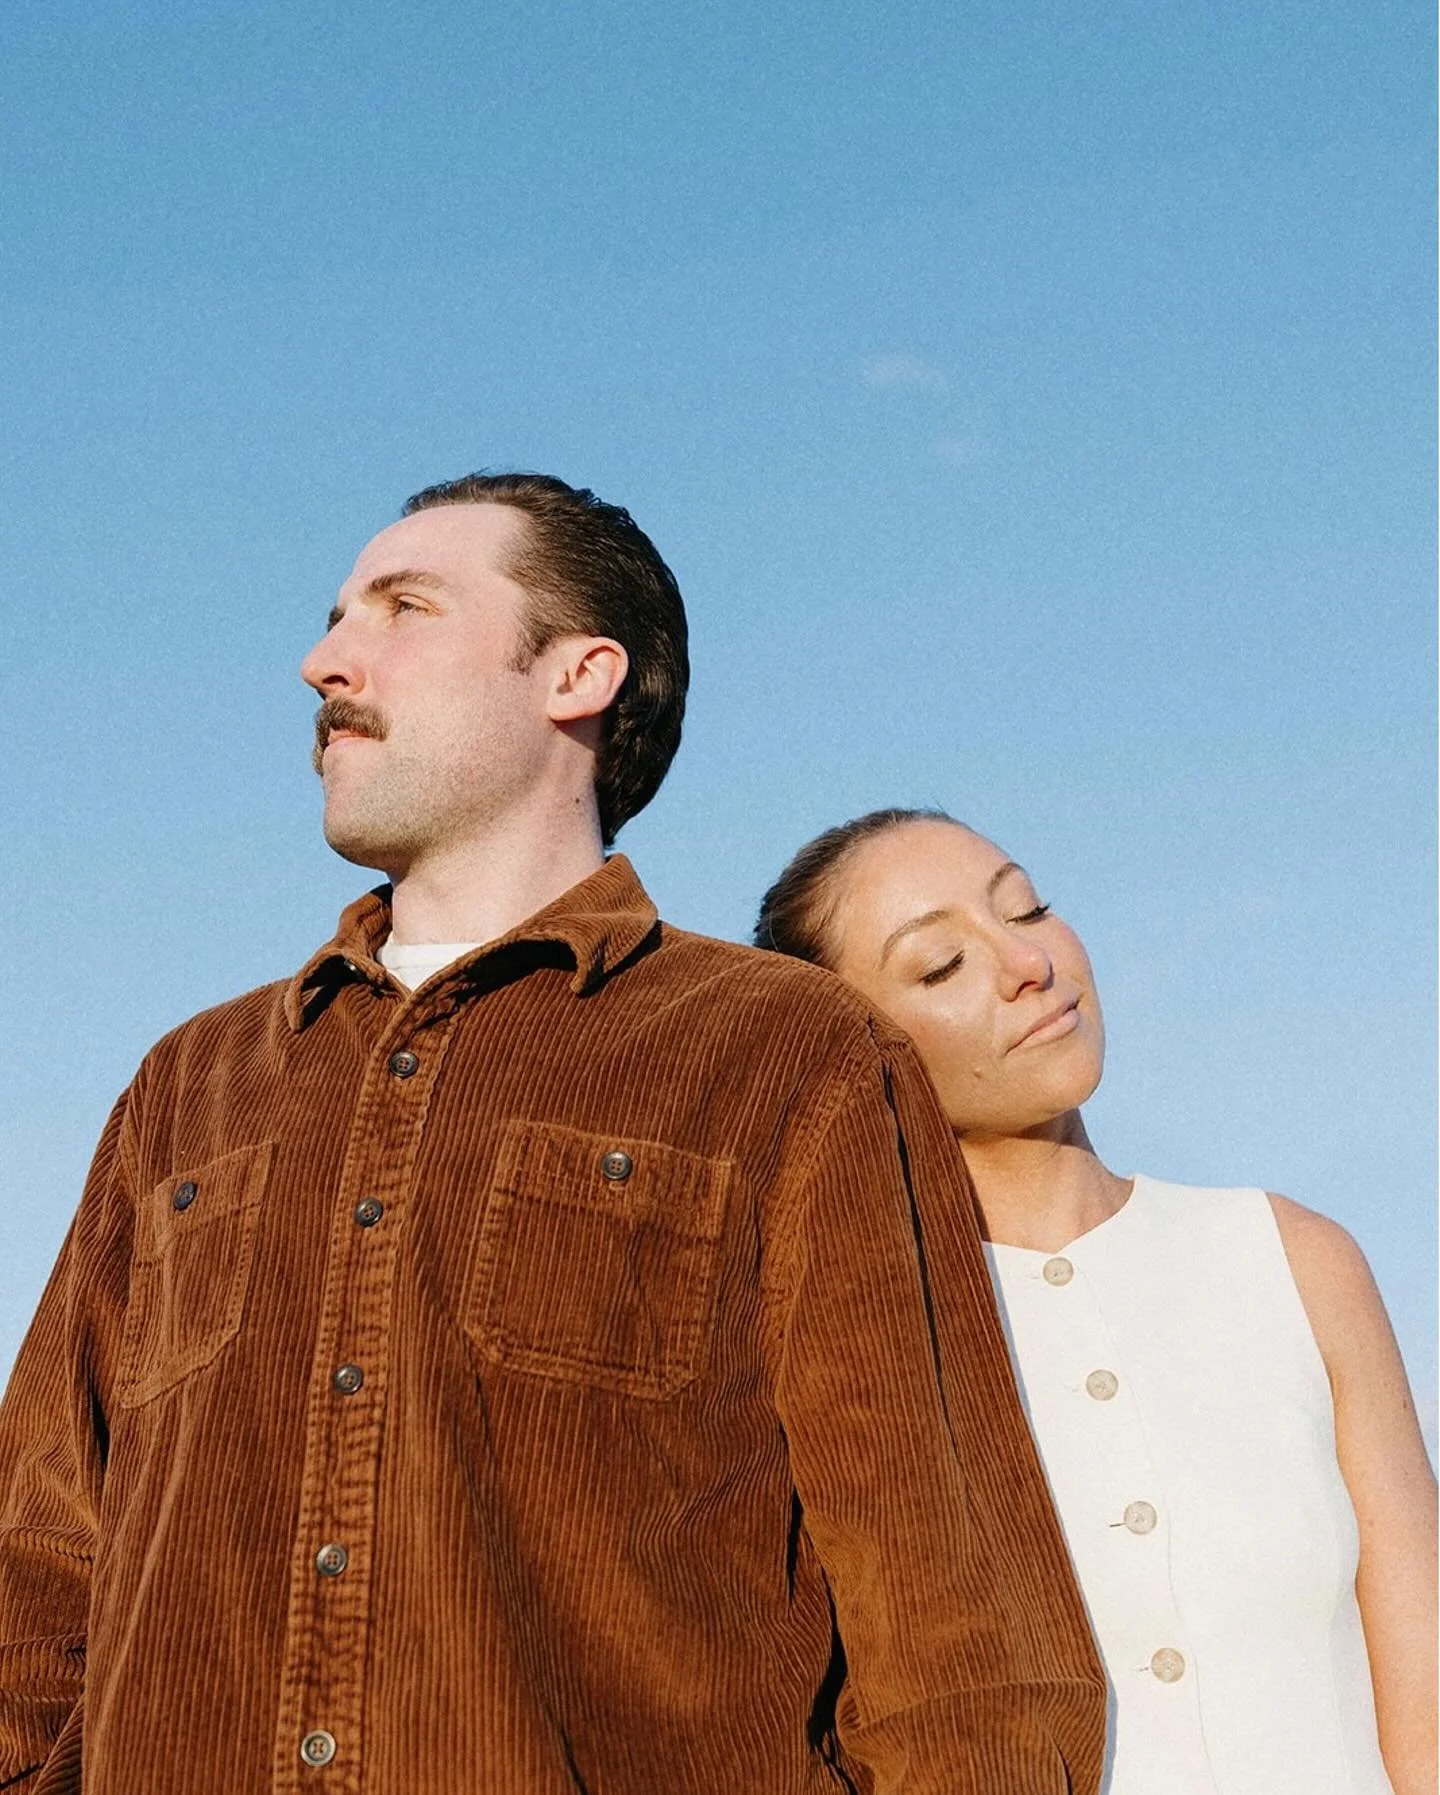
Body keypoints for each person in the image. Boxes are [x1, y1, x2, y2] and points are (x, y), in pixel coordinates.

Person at [0, 478, 1106, 1795]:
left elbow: (952, 1621)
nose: (324, 659)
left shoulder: (785, 1050)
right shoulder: (191, 1083)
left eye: (404, 608)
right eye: (335, 616)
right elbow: (40, 1568)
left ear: (578, 673)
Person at [755, 807, 1437, 1795]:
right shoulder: (851, 1350)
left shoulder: (1295, 1258)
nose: (1025, 963)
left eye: (1026, 908)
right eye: (941, 963)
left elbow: (1424, 1692)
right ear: (853, 1057)